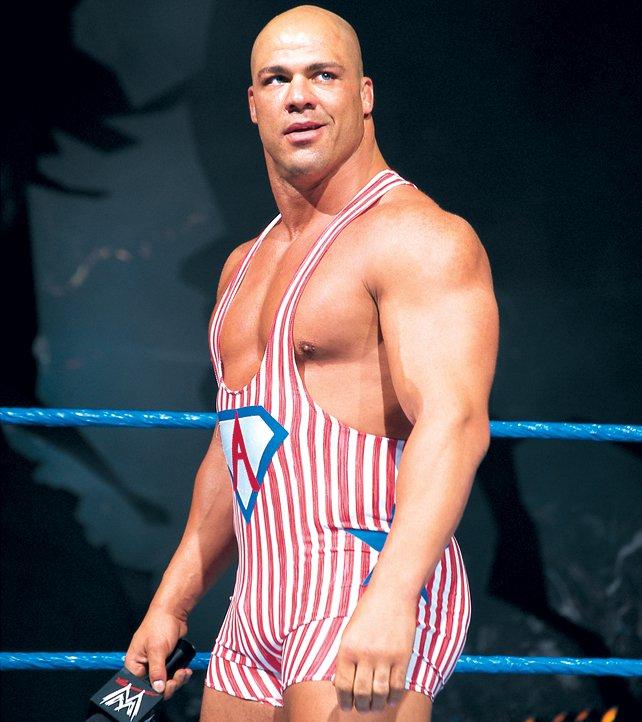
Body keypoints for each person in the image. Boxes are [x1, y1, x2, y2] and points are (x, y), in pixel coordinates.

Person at [125, 5, 498, 720]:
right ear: (253, 104)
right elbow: (239, 439)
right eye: (277, 79)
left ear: (364, 93)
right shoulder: (244, 264)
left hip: (363, 571)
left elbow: (454, 422)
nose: (298, 95)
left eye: (323, 75)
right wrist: (172, 602)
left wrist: (392, 594)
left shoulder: (417, 237)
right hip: (259, 597)